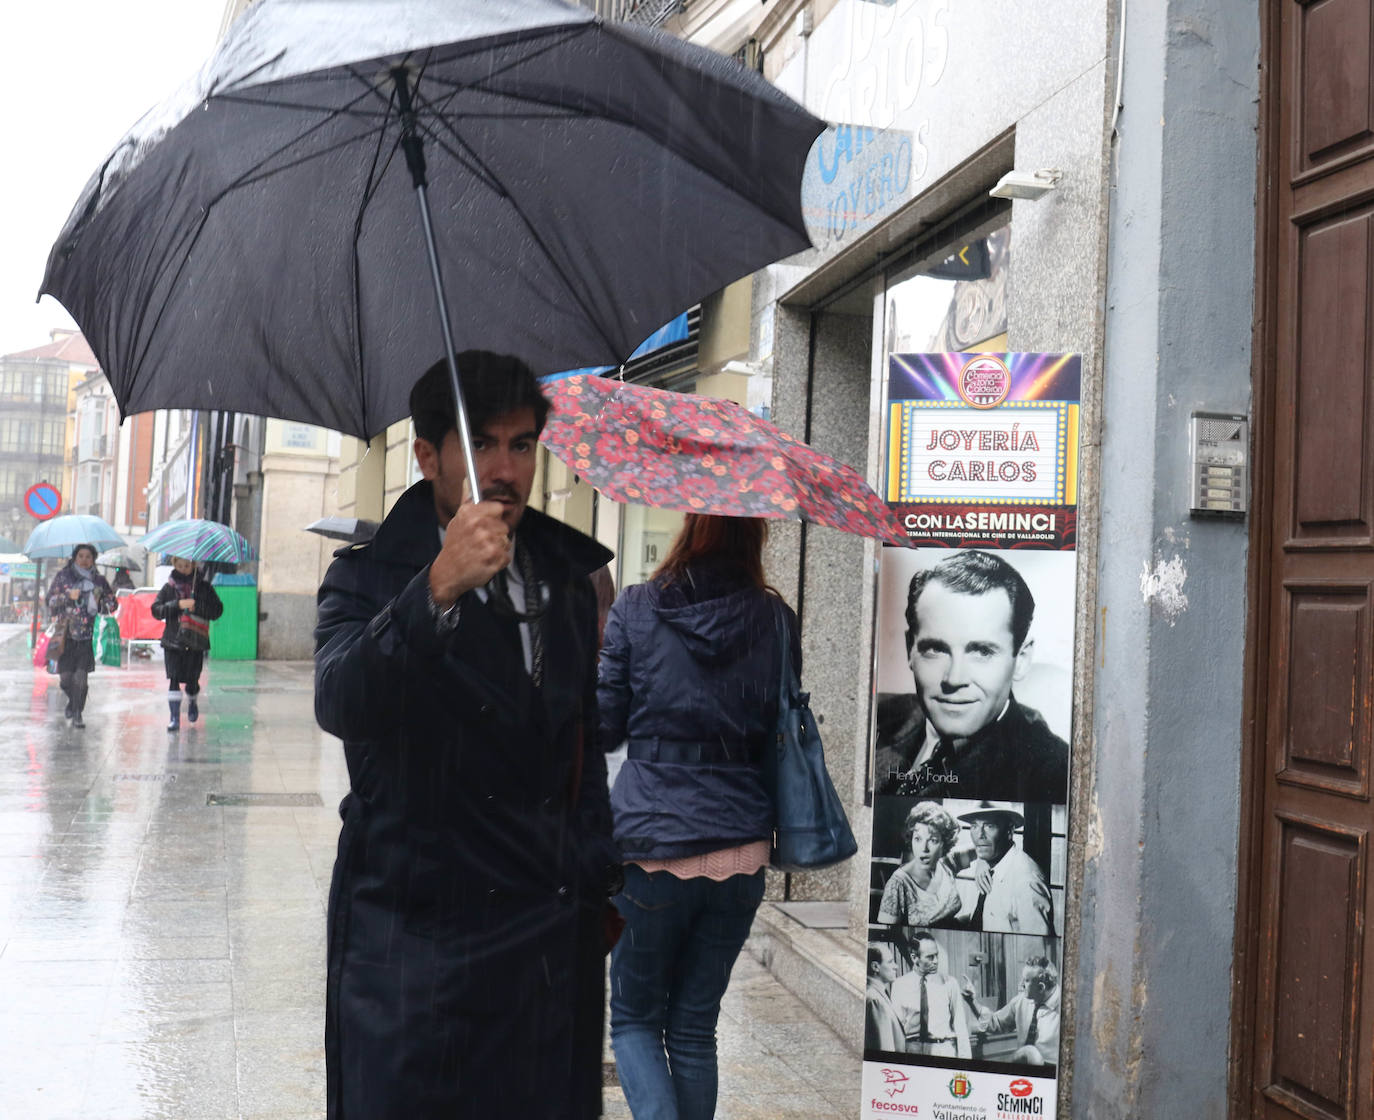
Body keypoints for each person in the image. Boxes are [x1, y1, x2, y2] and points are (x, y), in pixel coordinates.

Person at [314, 352, 619, 1120]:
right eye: (481, 443)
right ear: (428, 456)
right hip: (420, 953)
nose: (506, 469)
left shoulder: (568, 581)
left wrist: (593, 874)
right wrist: (435, 590)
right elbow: (343, 702)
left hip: (544, 952)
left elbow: (580, 742)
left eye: (521, 444)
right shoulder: (368, 577)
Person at [598, 513, 799, 1120]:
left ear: (690, 526)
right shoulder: (775, 618)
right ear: (754, 533)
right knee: (692, 1026)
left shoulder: (637, 608)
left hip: (652, 845)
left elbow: (603, 726)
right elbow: (779, 727)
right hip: (742, 847)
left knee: (634, 1021)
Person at [874, 550, 1068, 801]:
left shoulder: (1053, 774)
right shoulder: (876, 716)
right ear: (910, 648)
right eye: (935, 649)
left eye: (982, 652)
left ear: (1021, 659)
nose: (954, 679)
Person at [45, 543, 117, 729]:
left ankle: (78, 713)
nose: (84, 560)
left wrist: (100, 600)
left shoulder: (99, 580)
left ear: (93, 559)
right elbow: (49, 601)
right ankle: (73, 702)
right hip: (65, 635)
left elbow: (112, 605)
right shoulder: (63, 576)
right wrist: (67, 596)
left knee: (81, 680)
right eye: (81, 556)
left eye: (88, 557)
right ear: (75, 558)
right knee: (65, 680)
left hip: (86, 637)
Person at [956, 801, 1054, 935]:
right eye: (974, 826)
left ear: (1009, 831)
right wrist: (981, 860)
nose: (979, 835)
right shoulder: (990, 862)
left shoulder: (1026, 882)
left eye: (989, 826)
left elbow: (1038, 944)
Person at [150, 556, 224, 732]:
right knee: (174, 679)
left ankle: (192, 700)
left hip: (195, 642)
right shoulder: (169, 587)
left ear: (194, 565)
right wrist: (178, 604)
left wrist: (196, 606)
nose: (184, 569)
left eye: (187, 565)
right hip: (173, 642)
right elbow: (156, 610)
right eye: (180, 566)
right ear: (175, 565)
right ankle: (174, 718)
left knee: (192, 680)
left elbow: (217, 610)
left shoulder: (204, 587)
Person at [962, 955, 1061, 1066]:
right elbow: (996, 1023)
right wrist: (972, 1001)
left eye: (1026, 980)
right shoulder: (1021, 1001)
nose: (1021, 984)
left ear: (1041, 987)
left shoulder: (1065, 1009)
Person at [877, 801, 962, 927]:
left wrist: (983, 864)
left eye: (933, 840)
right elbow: (885, 933)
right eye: (917, 839)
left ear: (944, 843)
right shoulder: (898, 884)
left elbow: (981, 849)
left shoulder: (947, 863)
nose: (923, 849)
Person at [889, 930, 971, 1058]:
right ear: (914, 958)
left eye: (937, 955)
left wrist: (965, 1061)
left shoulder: (950, 983)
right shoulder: (899, 985)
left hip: (943, 1050)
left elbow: (960, 1026)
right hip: (912, 1050)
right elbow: (895, 1030)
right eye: (930, 957)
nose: (936, 961)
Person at [866, 943, 905, 1052]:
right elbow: (884, 1048)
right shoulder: (875, 1000)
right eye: (890, 962)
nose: (896, 966)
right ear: (875, 967)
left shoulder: (879, 994)